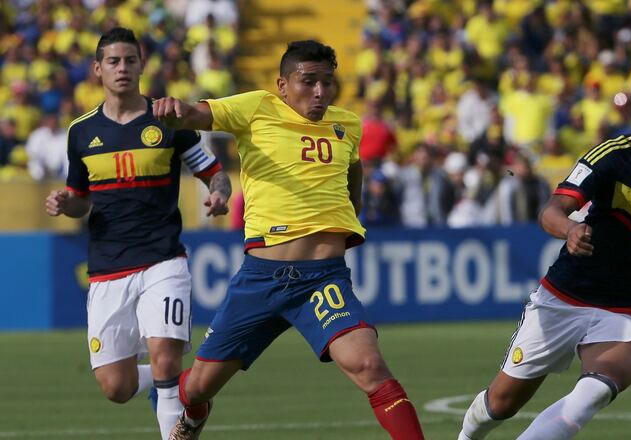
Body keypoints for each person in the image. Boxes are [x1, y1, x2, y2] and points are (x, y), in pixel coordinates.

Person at [152, 40, 425, 440]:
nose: (319, 92)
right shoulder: (258, 108)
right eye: (308, 82)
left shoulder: (347, 124)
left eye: (327, 83)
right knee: (197, 387)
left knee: (369, 367)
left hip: (323, 280)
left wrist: (347, 210)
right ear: (283, 84)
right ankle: (193, 416)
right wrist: (176, 113)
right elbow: (196, 114)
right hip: (262, 278)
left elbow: (354, 173)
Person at [457, 65, 631, 440]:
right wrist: (570, 228)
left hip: (628, 309)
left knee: (591, 395)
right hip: (565, 296)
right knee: (501, 404)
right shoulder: (613, 157)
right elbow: (551, 211)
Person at [45, 27, 231, 440]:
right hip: (108, 268)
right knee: (117, 386)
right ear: (98, 69)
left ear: (142, 65)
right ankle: (183, 390)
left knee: (165, 359)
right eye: (113, 61)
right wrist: (65, 203)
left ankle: (173, 409)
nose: (122, 68)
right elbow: (80, 200)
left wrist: (219, 196)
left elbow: (215, 174)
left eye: (130, 59)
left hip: (163, 260)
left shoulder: (168, 117)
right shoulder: (81, 132)